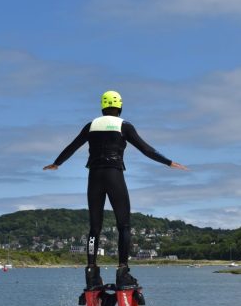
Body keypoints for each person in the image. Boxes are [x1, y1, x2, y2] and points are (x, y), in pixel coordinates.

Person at [44, 91, 188, 290]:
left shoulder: (91, 126)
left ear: (102, 107)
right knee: (124, 226)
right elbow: (147, 150)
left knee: (95, 228)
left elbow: (72, 147)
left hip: (94, 177)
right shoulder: (124, 126)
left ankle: (91, 271)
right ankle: (123, 272)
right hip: (114, 175)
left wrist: (56, 163)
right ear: (119, 107)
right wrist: (169, 162)